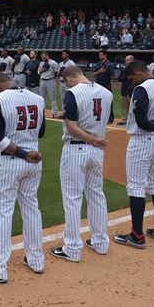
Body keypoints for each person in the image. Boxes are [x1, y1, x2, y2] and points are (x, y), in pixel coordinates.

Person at [0, 73, 45, 283]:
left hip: (10, 161)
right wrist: (28, 153)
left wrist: (22, 153)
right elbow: (40, 133)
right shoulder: (37, 98)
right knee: (31, 208)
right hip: (35, 160)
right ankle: (36, 260)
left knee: (3, 212)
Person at [52, 66, 112, 260]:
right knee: (97, 195)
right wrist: (95, 139)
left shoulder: (72, 92)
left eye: (65, 80)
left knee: (72, 198)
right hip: (97, 151)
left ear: (69, 77)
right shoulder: (106, 92)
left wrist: (91, 139)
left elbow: (71, 127)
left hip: (77, 149)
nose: (66, 84)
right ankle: (101, 242)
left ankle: (72, 249)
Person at [114, 59, 154, 249]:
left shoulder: (142, 89)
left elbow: (141, 122)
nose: (132, 82)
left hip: (143, 140)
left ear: (139, 72)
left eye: (132, 78)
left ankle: (137, 235)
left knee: (136, 186)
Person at [93, 49, 115, 123]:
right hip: (98, 85)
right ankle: (100, 116)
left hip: (106, 86)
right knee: (98, 101)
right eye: (99, 55)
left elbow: (112, 76)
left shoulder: (109, 65)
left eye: (101, 55)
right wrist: (100, 71)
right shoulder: (98, 64)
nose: (99, 56)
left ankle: (110, 118)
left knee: (108, 101)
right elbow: (93, 74)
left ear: (105, 55)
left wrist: (106, 74)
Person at [38, 51, 60, 117]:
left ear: (47, 56)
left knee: (52, 98)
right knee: (42, 98)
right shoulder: (41, 63)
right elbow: (38, 72)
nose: (43, 58)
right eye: (42, 57)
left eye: (44, 57)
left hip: (50, 81)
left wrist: (53, 78)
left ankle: (54, 113)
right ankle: (42, 112)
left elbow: (57, 72)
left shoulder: (53, 63)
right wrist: (42, 70)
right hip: (42, 81)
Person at [117, 55, 134, 125]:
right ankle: (124, 120)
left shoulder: (135, 69)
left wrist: (126, 77)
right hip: (124, 90)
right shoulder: (124, 69)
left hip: (132, 90)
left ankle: (132, 120)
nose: (126, 62)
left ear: (132, 61)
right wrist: (127, 77)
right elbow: (119, 78)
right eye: (126, 60)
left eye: (127, 60)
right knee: (124, 106)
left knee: (132, 106)